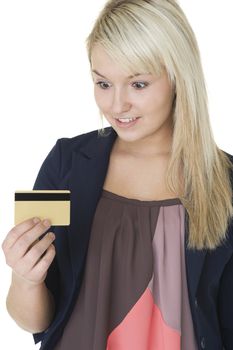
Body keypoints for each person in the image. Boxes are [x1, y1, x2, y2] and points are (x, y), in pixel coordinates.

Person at [2, 0, 233, 349]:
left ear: (177, 77)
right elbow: (36, 322)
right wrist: (24, 278)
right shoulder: (67, 163)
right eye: (103, 83)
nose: (116, 105)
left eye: (138, 84)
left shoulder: (224, 183)